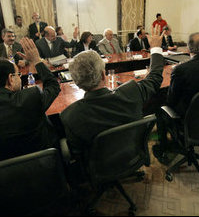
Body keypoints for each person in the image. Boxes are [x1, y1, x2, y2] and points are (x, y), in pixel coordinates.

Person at [60, 25, 164, 158]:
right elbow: (155, 77)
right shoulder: (131, 92)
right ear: (104, 75)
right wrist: (155, 48)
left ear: (77, 83)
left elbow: (77, 152)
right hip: (132, 155)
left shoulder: (69, 115)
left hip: (99, 167)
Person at [153, 32, 199, 160]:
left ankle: (163, 148)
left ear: (188, 48)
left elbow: (171, 100)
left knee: (160, 109)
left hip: (186, 116)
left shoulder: (181, 70)